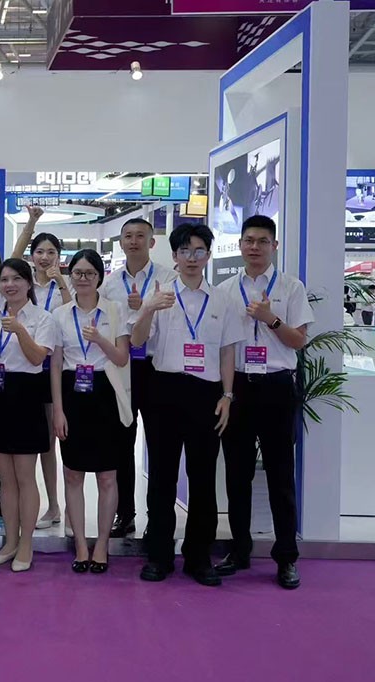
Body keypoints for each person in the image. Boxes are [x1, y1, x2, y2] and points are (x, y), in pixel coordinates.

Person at [131, 223, 243, 587]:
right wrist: (147, 309)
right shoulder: (159, 295)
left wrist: (227, 395)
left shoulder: (223, 300)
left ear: (208, 255)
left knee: (203, 477)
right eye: (184, 251)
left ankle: (199, 557)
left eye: (198, 251)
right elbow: (137, 341)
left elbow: (227, 351)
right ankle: (159, 555)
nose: (192, 258)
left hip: (206, 394)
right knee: (162, 476)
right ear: (174, 256)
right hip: (164, 390)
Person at [216, 215, 313, 590]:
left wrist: (270, 318)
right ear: (240, 245)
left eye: (261, 241)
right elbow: (221, 345)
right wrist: (226, 393)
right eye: (248, 240)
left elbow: (299, 341)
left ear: (274, 245)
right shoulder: (226, 290)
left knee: (280, 475)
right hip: (239, 386)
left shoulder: (291, 287)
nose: (254, 247)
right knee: (237, 475)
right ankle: (239, 550)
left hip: (276, 386)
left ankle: (286, 557)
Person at [51, 249, 132, 574]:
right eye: (78, 273)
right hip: (72, 393)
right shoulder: (60, 314)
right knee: (73, 473)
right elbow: (55, 364)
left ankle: (101, 545)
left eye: (89, 273)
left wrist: (99, 339)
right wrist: (58, 410)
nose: (83, 278)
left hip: (105, 393)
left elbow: (122, 358)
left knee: (107, 476)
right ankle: (81, 545)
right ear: (70, 276)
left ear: (99, 277)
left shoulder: (115, 309)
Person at [98, 218, 177, 538]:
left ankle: (157, 519)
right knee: (121, 443)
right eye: (128, 236)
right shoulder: (109, 284)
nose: (133, 241)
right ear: (120, 242)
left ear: (151, 242)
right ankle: (125, 514)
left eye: (140, 236)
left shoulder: (168, 278)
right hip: (122, 367)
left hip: (157, 368)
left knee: (160, 445)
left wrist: (143, 307)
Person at [0, 259, 56, 572]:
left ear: (28, 283)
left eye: (16, 279)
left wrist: (21, 330)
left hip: (27, 394)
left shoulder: (43, 318)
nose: (9, 285)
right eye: (4, 280)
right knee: (7, 480)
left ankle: (26, 544)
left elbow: (38, 358)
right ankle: (10, 541)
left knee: (25, 477)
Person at [28, 229, 73, 530]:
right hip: (29, 367)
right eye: (40, 252)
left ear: (59, 256)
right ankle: (50, 505)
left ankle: (66, 508)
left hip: (57, 368)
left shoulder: (63, 286)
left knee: (59, 442)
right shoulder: (23, 283)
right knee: (38, 443)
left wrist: (62, 282)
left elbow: (73, 313)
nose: (45, 258)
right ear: (32, 256)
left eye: (51, 252)